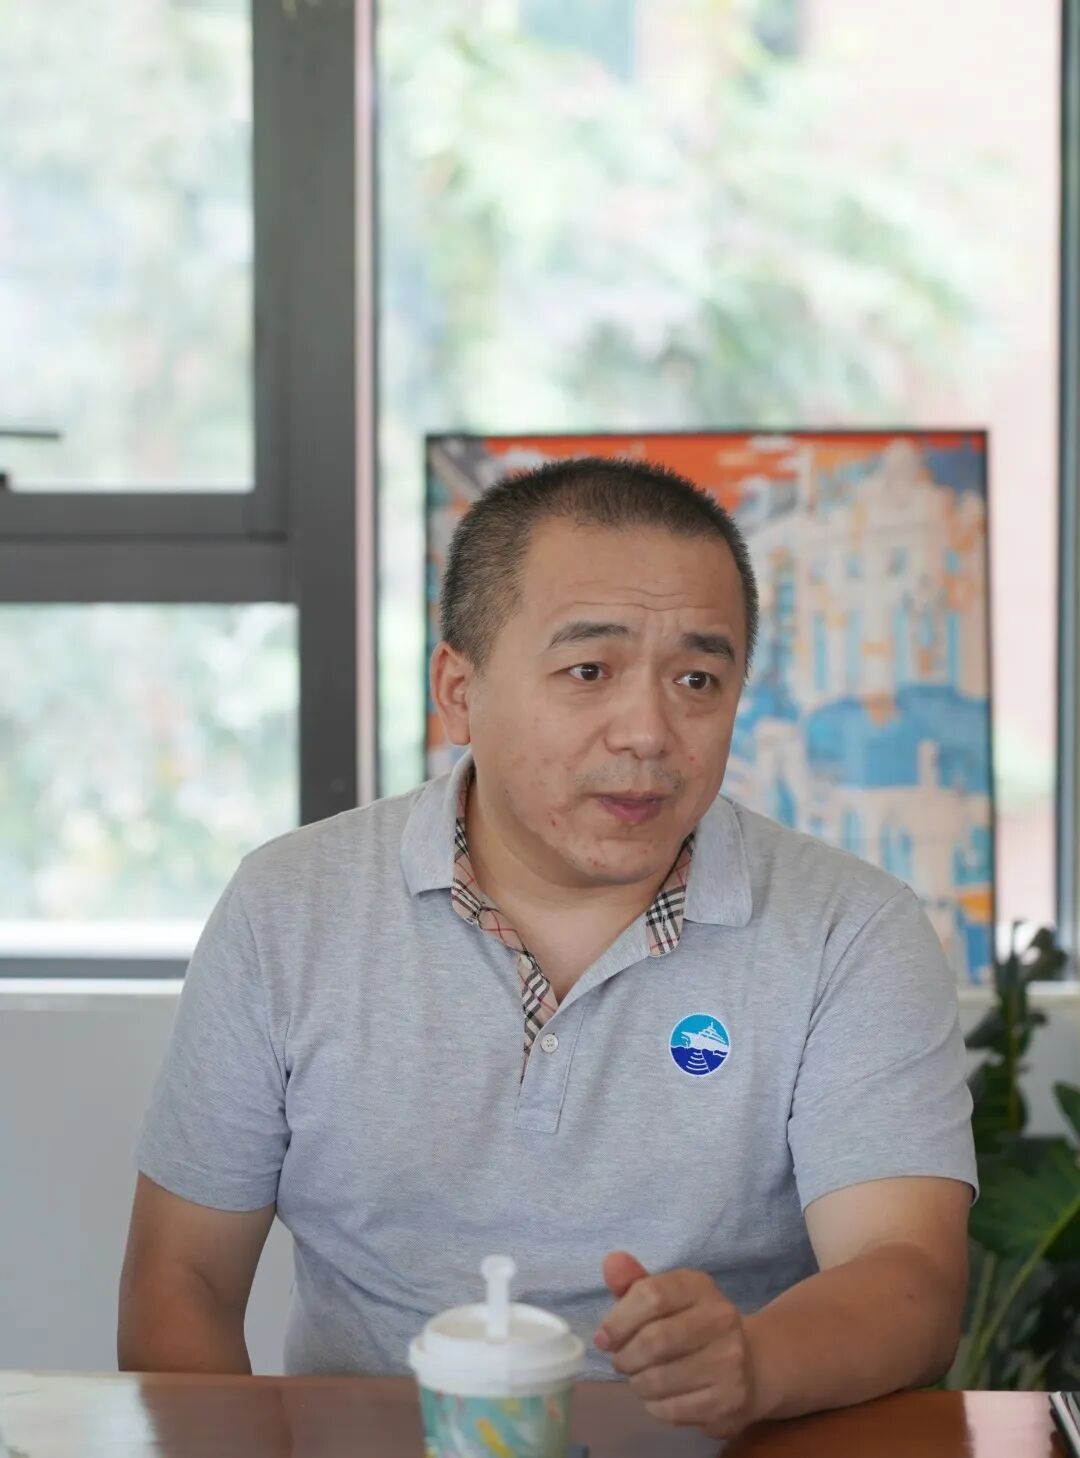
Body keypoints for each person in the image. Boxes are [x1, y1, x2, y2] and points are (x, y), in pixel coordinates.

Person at [118, 457, 976, 1440]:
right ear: (459, 691)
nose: (648, 732)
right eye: (589, 671)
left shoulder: (849, 931)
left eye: (697, 680)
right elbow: (181, 1277)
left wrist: (756, 1360)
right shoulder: (289, 910)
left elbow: (908, 1275)